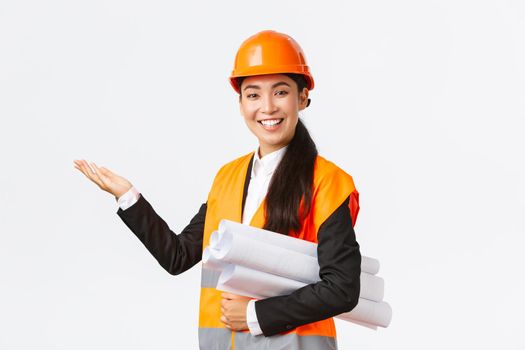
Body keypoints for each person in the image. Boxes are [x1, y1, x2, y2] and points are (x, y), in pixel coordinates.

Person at [74, 30, 361, 350]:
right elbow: (178, 256)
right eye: (253, 94)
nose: (267, 107)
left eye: (280, 92)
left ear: (302, 97)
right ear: (240, 103)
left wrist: (255, 314)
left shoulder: (327, 181)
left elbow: (342, 288)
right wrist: (128, 196)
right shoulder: (228, 177)